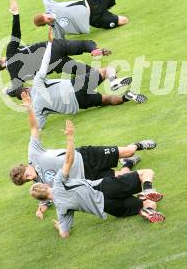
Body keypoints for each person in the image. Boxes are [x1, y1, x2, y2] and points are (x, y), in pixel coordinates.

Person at [10, 92, 156, 219]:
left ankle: (138, 146)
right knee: (119, 178)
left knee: (127, 151)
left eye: (27, 175)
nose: (31, 178)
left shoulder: (34, 153)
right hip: (88, 178)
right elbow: (45, 197)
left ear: (25, 167)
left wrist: (29, 108)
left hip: (85, 156)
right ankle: (128, 164)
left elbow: (34, 128)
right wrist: (41, 209)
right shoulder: (40, 184)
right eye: (27, 180)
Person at [30, 120, 165, 238]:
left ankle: (146, 210)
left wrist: (60, 227)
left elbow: (64, 235)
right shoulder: (58, 182)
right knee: (146, 173)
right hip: (105, 187)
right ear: (47, 186)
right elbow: (69, 160)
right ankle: (147, 190)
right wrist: (70, 137)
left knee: (148, 203)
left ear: (44, 200)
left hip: (107, 207)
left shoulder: (61, 209)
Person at [13, 26, 147, 129]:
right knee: (106, 71)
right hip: (74, 86)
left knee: (107, 100)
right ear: (26, 89)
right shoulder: (37, 83)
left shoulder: (36, 109)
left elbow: (37, 127)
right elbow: (45, 62)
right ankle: (113, 82)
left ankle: (125, 97)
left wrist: (29, 108)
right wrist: (49, 43)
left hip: (78, 104)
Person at [0, 0, 111, 96]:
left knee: (84, 71)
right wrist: (16, 14)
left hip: (55, 63)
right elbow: (16, 34)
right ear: (1, 59)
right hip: (54, 46)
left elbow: (17, 91)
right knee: (84, 44)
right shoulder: (10, 52)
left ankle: (108, 77)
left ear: (0, 69)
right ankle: (93, 50)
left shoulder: (15, 76)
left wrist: (6, 91)